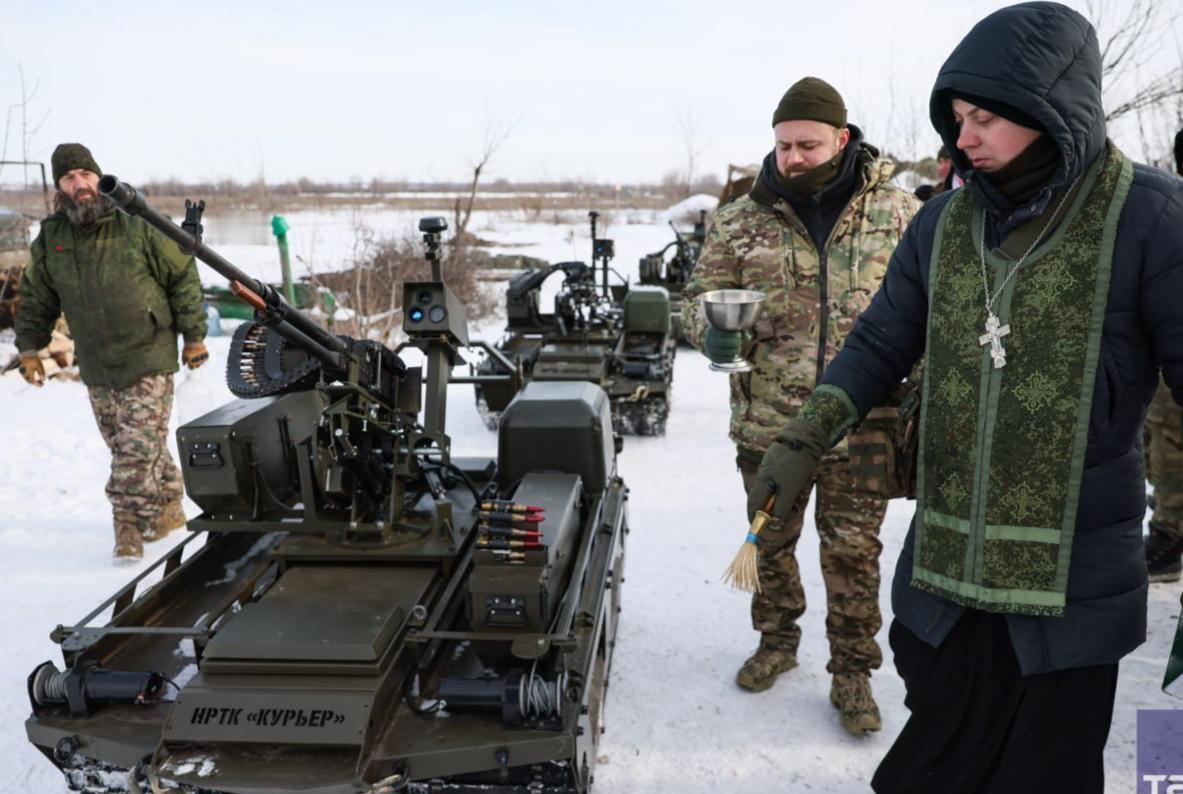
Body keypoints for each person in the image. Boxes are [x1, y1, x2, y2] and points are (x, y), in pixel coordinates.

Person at [747, 3, 1183, 790]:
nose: (964, 138)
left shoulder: (1150, 216)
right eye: (956, 119)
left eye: (984, 118)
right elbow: (878, 343)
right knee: (935, 756)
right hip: (948, 560)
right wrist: (804, 436)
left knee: (1044, 769)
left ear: (1051, 109)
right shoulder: (941, 223)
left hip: (1071, 570)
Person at [682, 77, 919, 734]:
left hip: (862, 425)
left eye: (807, 145)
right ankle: (776, 641)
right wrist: (711, 329)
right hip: (769, 424)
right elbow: (693, 303)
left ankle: (853, 672)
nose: (792, 158)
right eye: (783, 145)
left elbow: (928, 310)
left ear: (841, 140)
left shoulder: (899, 215)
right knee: (769, 542)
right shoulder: (740, 220)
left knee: (853, 554)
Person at [15, 143, 208, 561]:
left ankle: (129, 525)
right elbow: (36, 299)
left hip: (149, 355)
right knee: (133, 446)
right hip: (97, 364)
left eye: (85, 174)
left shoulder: (136, 221)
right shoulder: (52, 237)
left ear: (98, 176)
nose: (79, 184)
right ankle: (169, 509)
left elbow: (182, 276)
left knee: (133, 452)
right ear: (59, 187)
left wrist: (194, 336)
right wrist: (30, 349)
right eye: (69, 178)